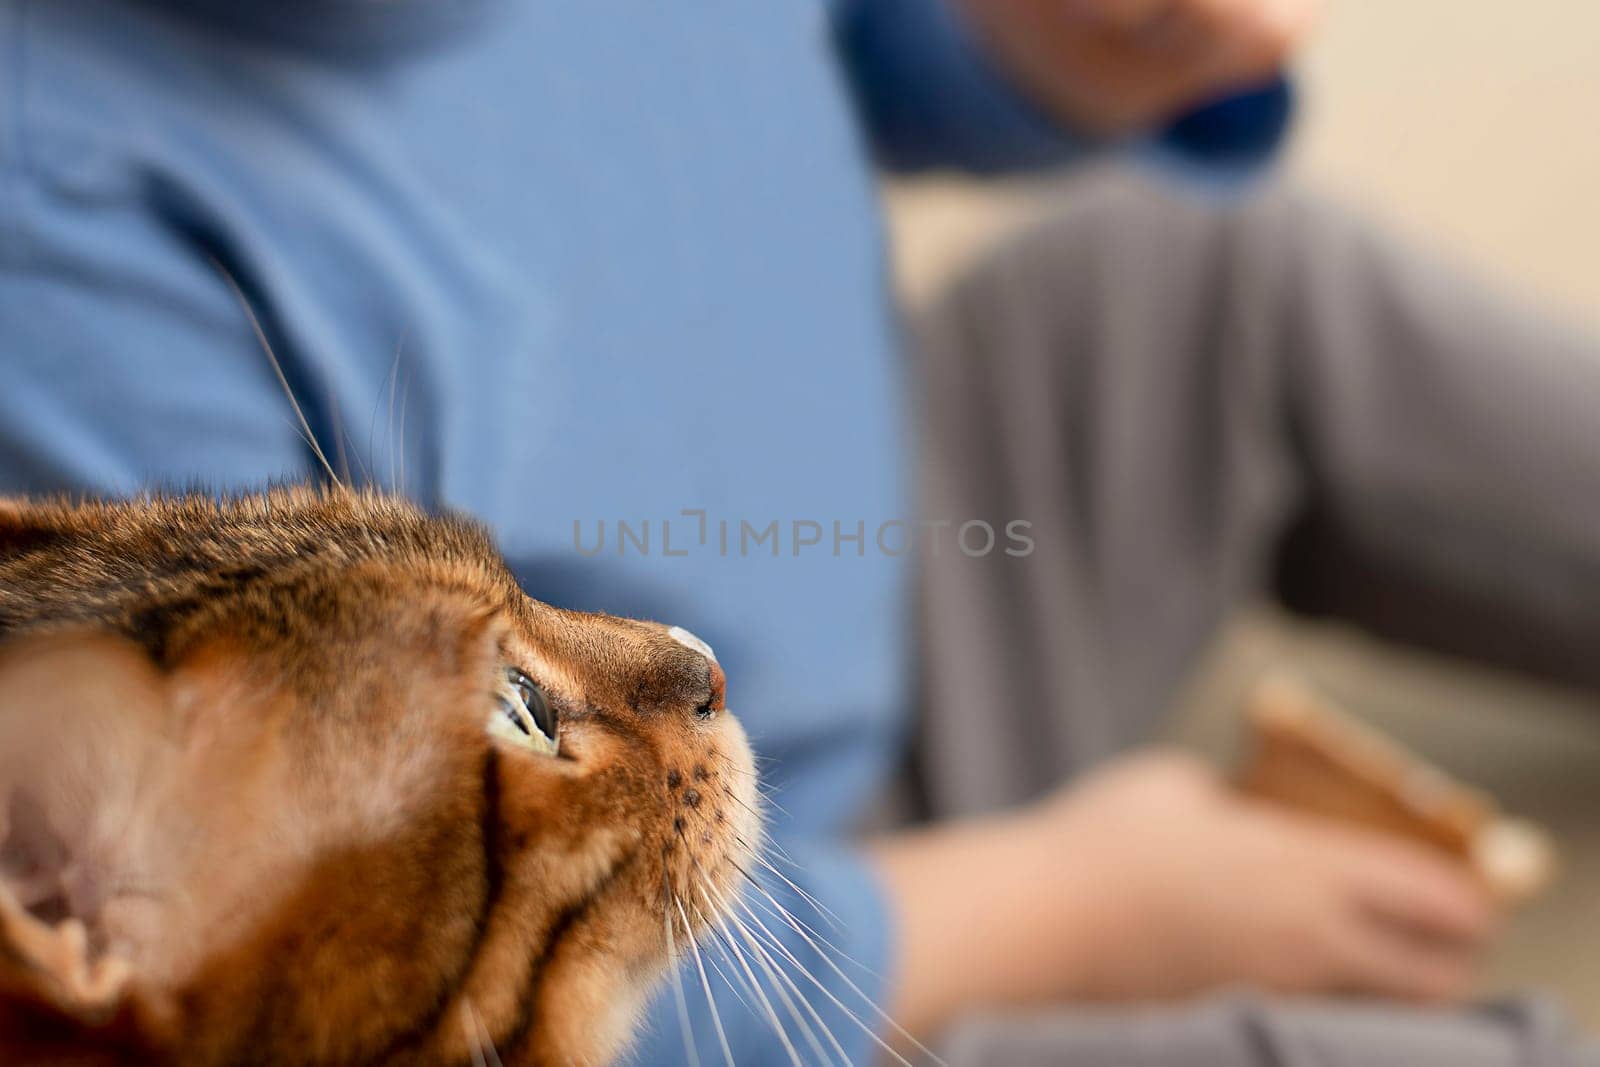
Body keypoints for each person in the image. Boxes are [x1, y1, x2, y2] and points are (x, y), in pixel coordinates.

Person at [2, 1, 1596, 1064]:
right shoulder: (51, 208)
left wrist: (1054, 53)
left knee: (1229, 288)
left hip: (859, 622)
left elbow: (795, 59)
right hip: (712, 952)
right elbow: (349, 1002)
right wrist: (1064, 911)